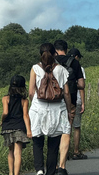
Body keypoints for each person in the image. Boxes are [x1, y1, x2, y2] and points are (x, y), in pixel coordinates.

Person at [29, 43, 73, 175]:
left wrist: (35, 103)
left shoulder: (35, 69)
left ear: (40, 54)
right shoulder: (61, 70)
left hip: (38, 109)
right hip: (57, 110)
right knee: (53, 145)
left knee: (38, 141)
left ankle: (39, 170)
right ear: (55, 54)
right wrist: (69, 109)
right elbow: (66, 93)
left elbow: (31, 92)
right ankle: (51, 171)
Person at [54, 40, 85, 175]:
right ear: (66, 49)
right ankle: (62, 165)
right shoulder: (75, 62)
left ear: (55, 50)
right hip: (70, 101)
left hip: (53, 101)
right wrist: (71, 85)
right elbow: (82, 85)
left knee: (54, 133)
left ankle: (53, 165)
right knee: (66, 130)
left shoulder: (51, 61)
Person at [0, 75, 32, 175]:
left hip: (8, 126)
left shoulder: (5, 98)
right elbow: (25, 116)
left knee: (10, 151)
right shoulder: (24, 100)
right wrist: (29, 130)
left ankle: (10, 173)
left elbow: (5, 112)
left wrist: (2, 121)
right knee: (17, 152)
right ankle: (16, 173)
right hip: (19, 127)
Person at [68, 48, 87, 160]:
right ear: (76, 57)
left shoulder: (61, 66)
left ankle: (65, 152)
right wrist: (83, 103)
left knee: (66, 128)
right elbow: (82, 87)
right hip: (77, 100)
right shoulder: (79, 67)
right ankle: (76, 151)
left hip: (64, 100)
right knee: (76, 126)